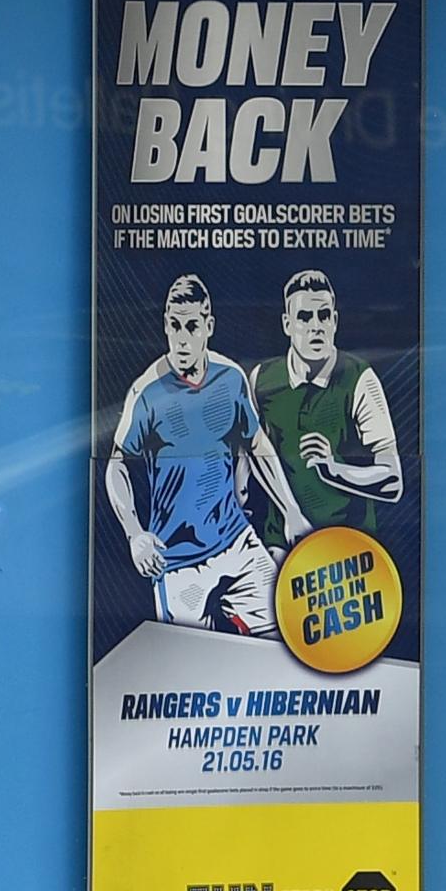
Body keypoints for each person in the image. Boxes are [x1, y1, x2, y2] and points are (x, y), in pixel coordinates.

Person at [105, 272, 309, 634]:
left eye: (192, 326)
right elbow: (116, 466)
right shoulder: (146, 391)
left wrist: (291, 510)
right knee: (189, 667)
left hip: (235, 540)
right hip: (178, 558)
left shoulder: (230, 377)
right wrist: (135, 533)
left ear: (208, 326)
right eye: (174, 326)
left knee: (284, 638)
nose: (182, 338)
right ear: (165, 326)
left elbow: (257, 444)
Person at [248, 269, 403, 542]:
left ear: (335, 321)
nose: (315, 326)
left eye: (323, 316)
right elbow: (249, 454)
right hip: (283, 542)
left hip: (348, 545)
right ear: (287, 324)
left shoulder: (359, 378)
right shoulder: (261, 379)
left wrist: (335, 470)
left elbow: (393, 481)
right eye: (304, 317)